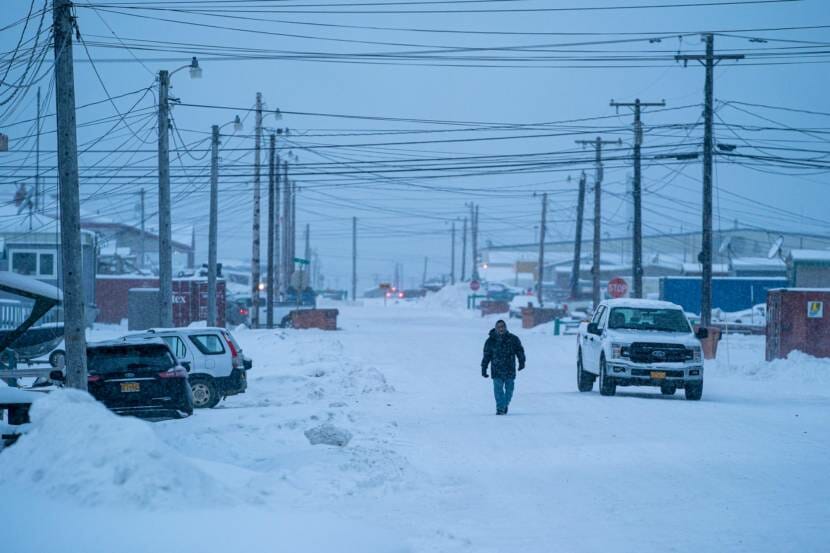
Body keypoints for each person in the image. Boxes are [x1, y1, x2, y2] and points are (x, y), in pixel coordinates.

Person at [481, 319, 526, 415]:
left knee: (509, 390)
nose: (501, 329)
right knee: (498, 391)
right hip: (496, 370)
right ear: (496, 328)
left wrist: (521, 362)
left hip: (510, 369)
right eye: (499, 327)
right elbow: (486, 356)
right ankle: (500, 408)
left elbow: (520, 351)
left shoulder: (513, 339)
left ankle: (504, 405)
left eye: (503, 326)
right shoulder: (490, 341)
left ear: (505, 327)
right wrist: (484, 368)